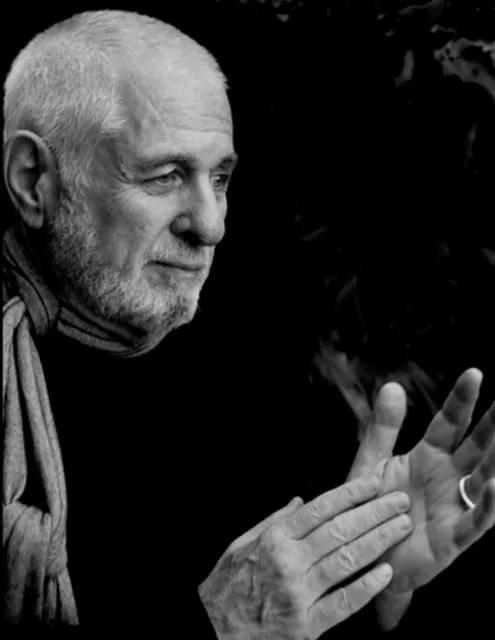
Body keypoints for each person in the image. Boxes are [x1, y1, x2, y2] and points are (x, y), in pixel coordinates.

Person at [2, 9, 494, 637]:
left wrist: (367, 578)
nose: (210, 226)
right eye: (165, 175)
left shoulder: (256, 369)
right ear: (33, 181)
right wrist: (215, 625)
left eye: (221, 178)